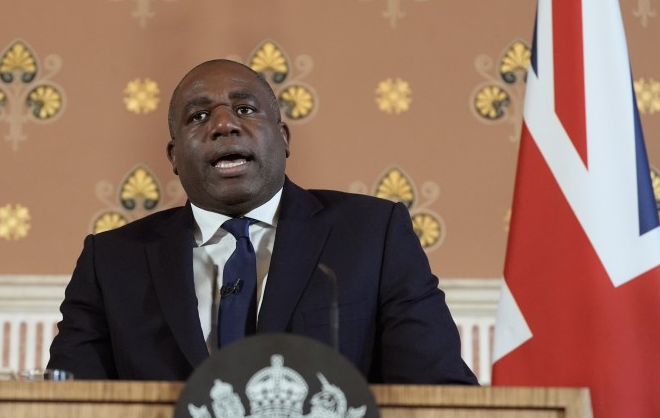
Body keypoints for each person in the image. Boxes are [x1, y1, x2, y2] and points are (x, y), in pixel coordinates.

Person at [48, 59, 477, 385]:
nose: (224, 124)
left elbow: (438, 392)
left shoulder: (372, 235)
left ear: (284, 138)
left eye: (246, 108)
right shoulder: (111, 263)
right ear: (173, 157)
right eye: (198, 117)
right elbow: (67, 413)